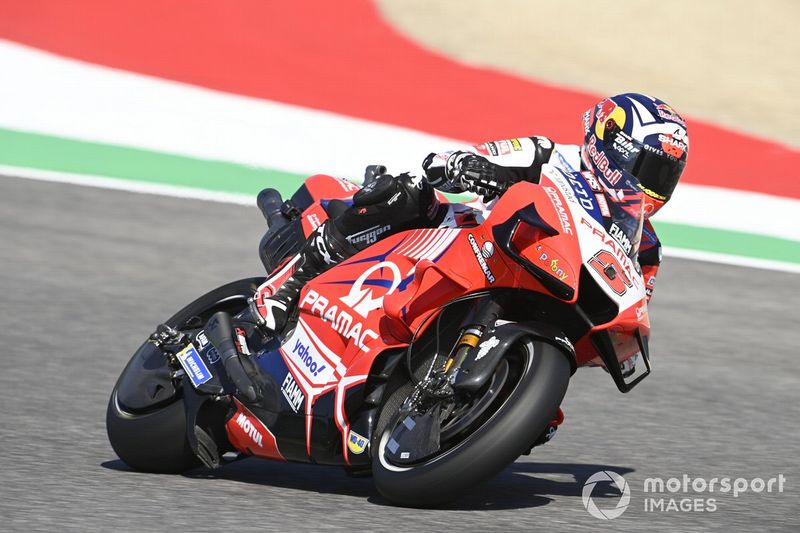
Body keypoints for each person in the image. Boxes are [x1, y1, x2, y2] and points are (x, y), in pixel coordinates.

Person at [250, 92, 689, 443]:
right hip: (467, 240)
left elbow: (631, 304)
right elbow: (447, 162)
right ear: (612, 145)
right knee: (406, 193)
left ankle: (491, 402)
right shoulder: (548, 156)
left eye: (667, 175)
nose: (657, 184)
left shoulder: (645, 246)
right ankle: (292, 280)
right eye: (651, 168)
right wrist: (470, 166)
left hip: (542, 293)